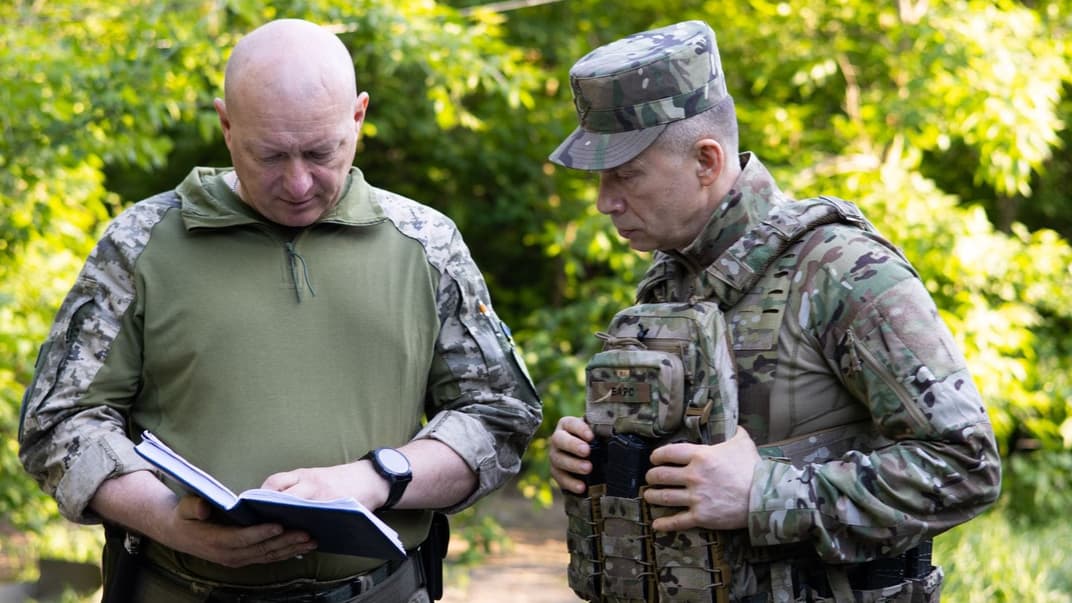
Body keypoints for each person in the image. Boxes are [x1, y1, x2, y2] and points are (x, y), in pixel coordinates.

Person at [18, 18, 541, 603]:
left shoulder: (426, 245)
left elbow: (499, 417)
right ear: (226, 125)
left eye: (321, 152)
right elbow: (58, 421)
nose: (297, 184)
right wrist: (166, 518)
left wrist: (376, 479)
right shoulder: (140, 245)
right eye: (270, 155)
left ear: (359, 117)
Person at [546, 20, 1000, 603]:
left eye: (625, 175)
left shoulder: (841, 270)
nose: (605, 201)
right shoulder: (669, 283)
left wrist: (765, 494)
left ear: (706, 161)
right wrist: (598, 462)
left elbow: (966, 466)